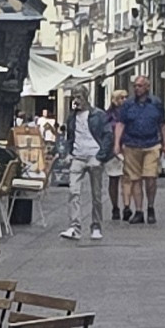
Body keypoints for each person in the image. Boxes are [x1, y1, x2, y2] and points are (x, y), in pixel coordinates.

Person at [117, 73, 165, 227]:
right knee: (135, 179)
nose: (136, 89)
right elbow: (121, 124)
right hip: (132, 144)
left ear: (147, 87)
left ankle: (150, 207)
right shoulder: (128, 105)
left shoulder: (156, 103)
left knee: (151, 177)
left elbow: (162, 124)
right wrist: (116, 143)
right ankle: (139, 211)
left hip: (152, 144)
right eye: (135, 86)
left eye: (139, 86)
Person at [63, 95, 108, 243]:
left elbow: (108, 135)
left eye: (79, 97)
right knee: (73, 191)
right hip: (78, 156)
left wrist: (101, 156)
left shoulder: (98, 115)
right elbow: (70, 136)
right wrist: (69, 153)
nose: (76, 101)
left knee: (96, 194)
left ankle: (96, 226)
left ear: (86, 98)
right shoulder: (72, 117)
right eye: (74, 98)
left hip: (94, 155)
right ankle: (74, 227)